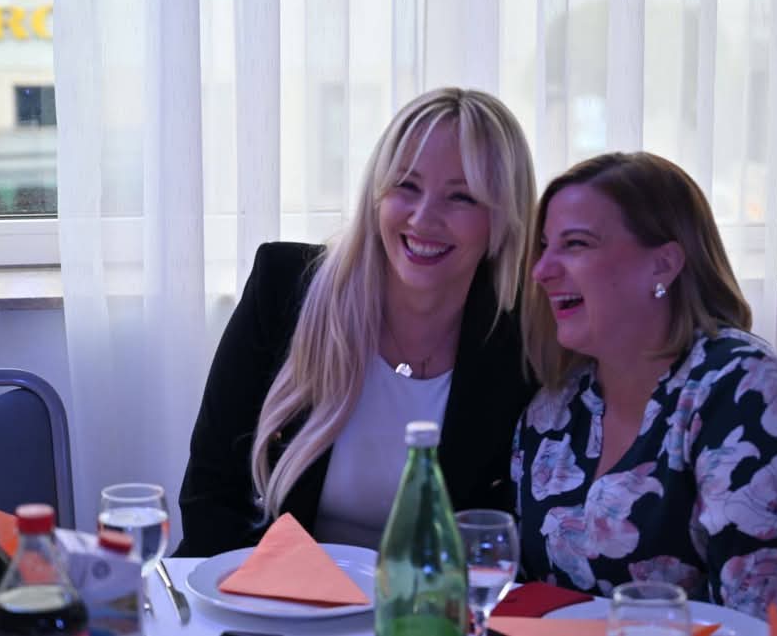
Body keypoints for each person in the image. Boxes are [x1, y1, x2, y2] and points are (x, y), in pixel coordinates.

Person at [511, 152, 777, 636]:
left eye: (575, 244)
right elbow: (529, 600)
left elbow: (769, 626)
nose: (541, 270)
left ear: (663, 265)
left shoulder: (752, 394)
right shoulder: (554, 408)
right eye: (544, 246)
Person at [175, 87, 538, 556]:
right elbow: (210, 496)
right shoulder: (283, 288)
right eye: (406, 186)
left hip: (425, 600)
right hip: (260, 589)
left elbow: (503, 537)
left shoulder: (522, 344)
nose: (424, 218)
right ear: (375, 195)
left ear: (504, 218)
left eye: (461, 197)